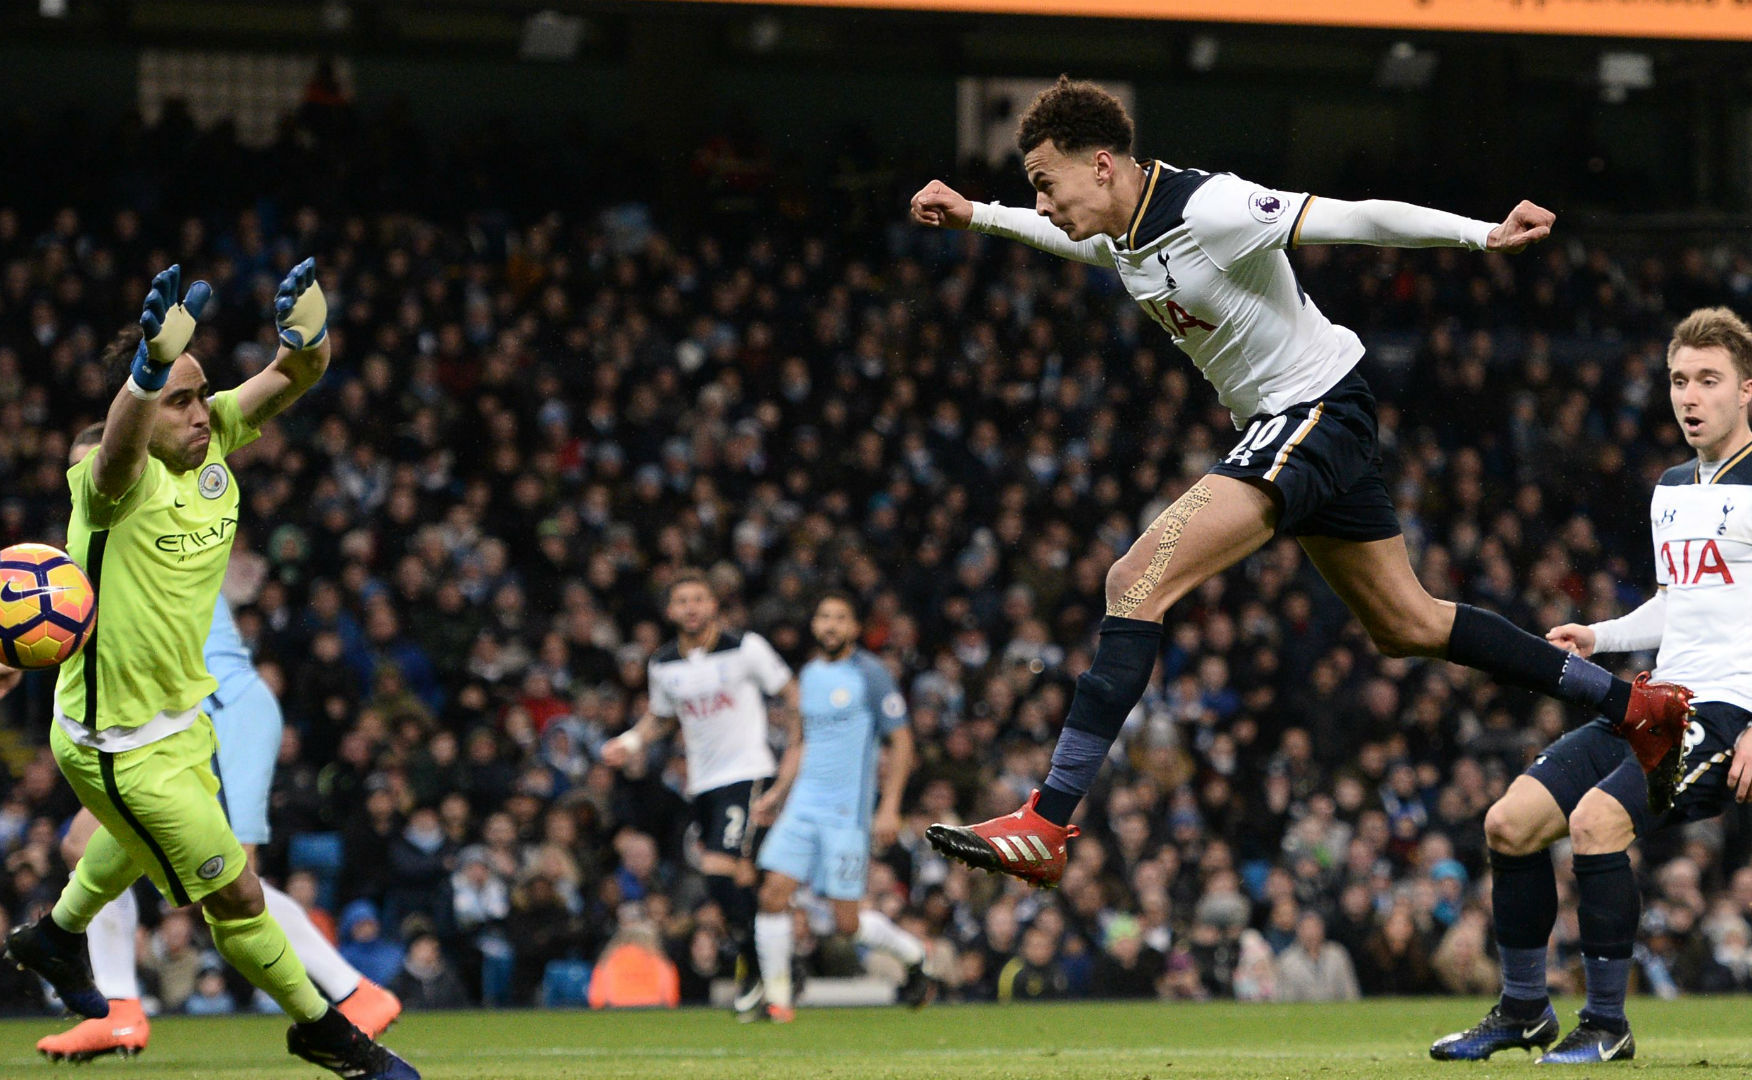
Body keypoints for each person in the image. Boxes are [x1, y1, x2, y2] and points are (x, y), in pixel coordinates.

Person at [907, 75, 1694, 887]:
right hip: (1306, 421)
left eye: (1044, 182)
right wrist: (976, 213)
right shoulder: (1119, 230)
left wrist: (1481, 236)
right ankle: (1635, 708)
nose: (1039, 203)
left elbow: (1358, 219)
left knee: (1135, 577)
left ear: (1102, 164)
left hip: (1312, 410)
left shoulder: (1210, 209)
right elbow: (1074, 243)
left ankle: (1046, 819)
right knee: (1409, 624)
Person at [0, 262, 417, 1079]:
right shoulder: (111, 483)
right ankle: (329, 1034)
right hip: (116, 744)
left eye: (199, 393)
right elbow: (119, 443)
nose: (197, 411)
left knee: (133, 848)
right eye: (177, 399)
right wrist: (147, 375)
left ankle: (53, 936)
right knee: (235, 895)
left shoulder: (215, 437)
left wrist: (309, 336)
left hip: (185, 713)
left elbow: (297, 374)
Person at [1431, 308, 1752, 1065]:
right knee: (1508, 824)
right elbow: (1677, 602)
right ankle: (1523, 1010)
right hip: (1655, 701)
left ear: (1748, 390)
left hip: (1726, 708)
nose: (1689, 396)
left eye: (1709, 380)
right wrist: (1599, 637)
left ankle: (1607, 1024)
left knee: (1597, 824)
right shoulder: (1672, 487)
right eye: (1679, 380)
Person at [0, 560, 402, 1058]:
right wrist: (20, 657)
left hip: (222, 711)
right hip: (172, 719)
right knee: (83, 846)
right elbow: (87, 607)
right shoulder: (137, 528)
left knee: (234, 884)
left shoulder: (154, 520)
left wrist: (16, 655)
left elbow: (95, 602)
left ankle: (354, 993)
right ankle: (120, 1008)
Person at [599, 569, 798, 1017]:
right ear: (671, 611)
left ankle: (756, 969)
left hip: (748, 773)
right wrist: (630, 741)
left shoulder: (746, 648)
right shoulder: (664, 663)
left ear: (714, 606)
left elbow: (790, 692)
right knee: (741, 878)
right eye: (682, 601)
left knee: (716, 870)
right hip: (702, 782)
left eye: (699, 599)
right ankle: (779, 968)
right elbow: (660, 717)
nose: (691, 608)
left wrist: (797, 746)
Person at [751, 592, 931, 1022]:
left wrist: (888, 808)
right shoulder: (809, 674)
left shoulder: (871, 675)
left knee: (844, 925)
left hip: (846, 813)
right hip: (803, 805)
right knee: (773, 893)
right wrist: (778, 792)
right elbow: (799, 740)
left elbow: (902, 742)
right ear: (815, 625)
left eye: (840, 618)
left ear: (853, 627)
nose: (830, 625)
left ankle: (912, 955)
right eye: (824, 616)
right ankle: (777, 999)